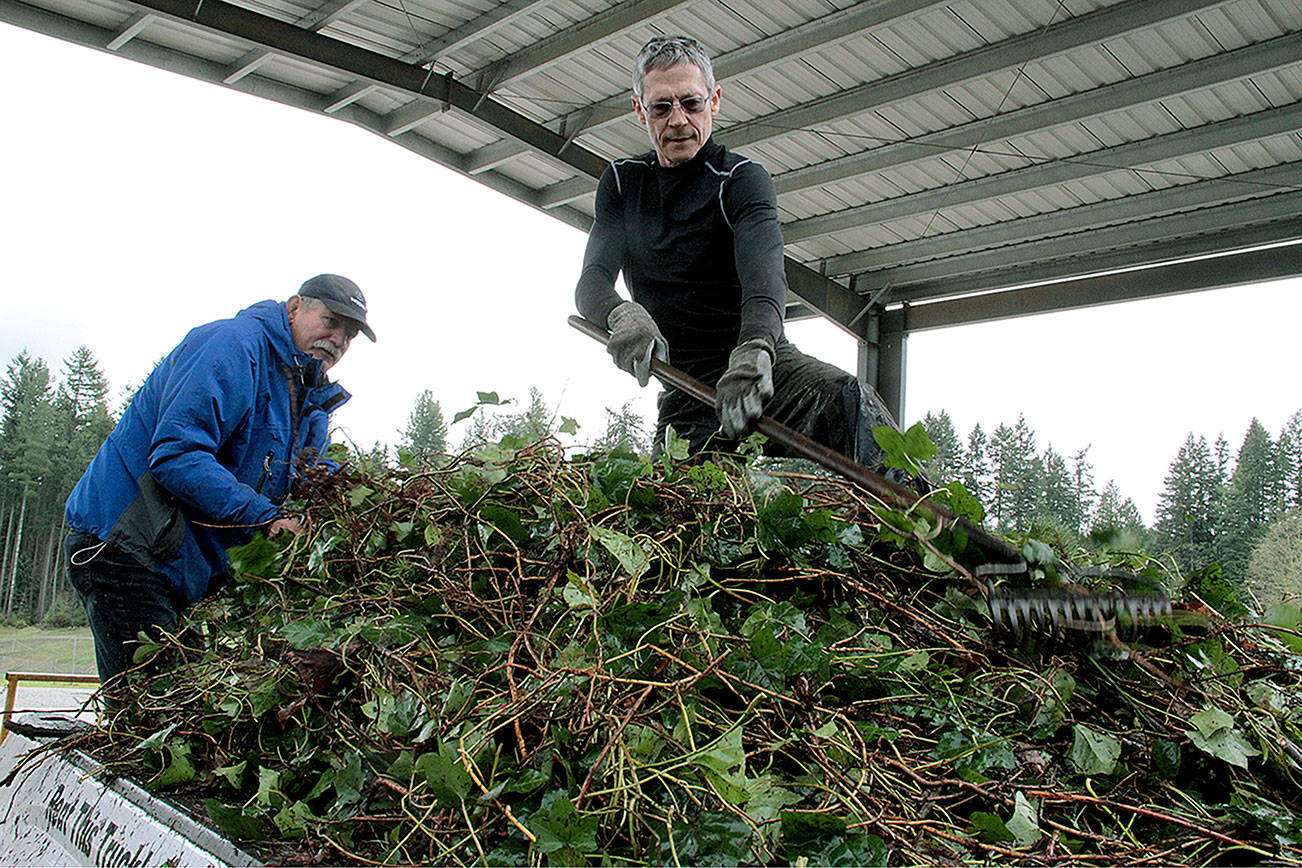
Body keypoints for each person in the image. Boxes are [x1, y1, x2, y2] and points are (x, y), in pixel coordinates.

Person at [575, 34, 910, 477]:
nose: (678, 120)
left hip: (766, 370)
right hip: (688, 392)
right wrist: (621, 315)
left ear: (714, 101)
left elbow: (765, 281)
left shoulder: (741, 180)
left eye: (691, 104)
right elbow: (592, 282)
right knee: (681, 508)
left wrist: (754, 349)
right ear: (640, 110)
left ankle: (924, 527)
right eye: (661, 107)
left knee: (846, 398)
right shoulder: (622, 183)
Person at [64, 274, 374, 698]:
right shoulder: (233, 347)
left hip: (179, 566)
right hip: (127, 546)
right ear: (295, 306)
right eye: (330, 321)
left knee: (192, 707)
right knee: (153, 714)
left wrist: (349, 492)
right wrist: (266, 518)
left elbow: (304, 478)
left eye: (349, 334)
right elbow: (177, 454)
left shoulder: (308, 398)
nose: (337, 339)